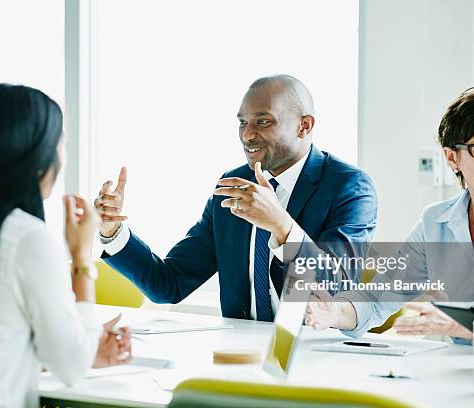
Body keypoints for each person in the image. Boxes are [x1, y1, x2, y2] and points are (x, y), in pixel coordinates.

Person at [94, 75, 378, 321]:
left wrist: (283, 227)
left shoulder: (349, 186)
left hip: (314, 355)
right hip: (240, 354)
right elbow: (168, 285)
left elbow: (337, 287)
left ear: (304, 126)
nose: (247, 134)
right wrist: (114, 232)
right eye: (242, 122)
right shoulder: (233, 185)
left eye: (263, 121)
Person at [0, 84, 132, 407]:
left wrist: (74, 346)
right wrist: (80, 257)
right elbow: (72, 369)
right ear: (37, 158)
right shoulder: (28, 239)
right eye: (59, 147)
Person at [305, 87, 474, 341]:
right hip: (448, 370)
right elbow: (378, 298)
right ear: (452, 157)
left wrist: (461, 326)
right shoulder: (435, 222)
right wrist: (333, 313)